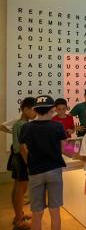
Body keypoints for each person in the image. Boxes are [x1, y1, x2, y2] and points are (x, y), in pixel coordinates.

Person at [19, 95, 67, 230]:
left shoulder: (26, 127)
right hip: (54, 170)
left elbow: (22, 148)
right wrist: (77, 150)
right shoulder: (58, 126)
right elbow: (65, 147)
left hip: (35, 172)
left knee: (37, 212)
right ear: (52, 109)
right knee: (55, 210)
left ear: (35, 109)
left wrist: (28, 162)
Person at [9, 97, 36, 229]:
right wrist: (29, 163)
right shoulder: (23, 125)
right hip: (21, 158)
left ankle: (18, 215)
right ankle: (19, 221)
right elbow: (22, 147)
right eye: (33, 110)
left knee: (17, 188)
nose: (35, 113)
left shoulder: (18, 124)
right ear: (26, 109)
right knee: (21, 189)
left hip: (16, 157)